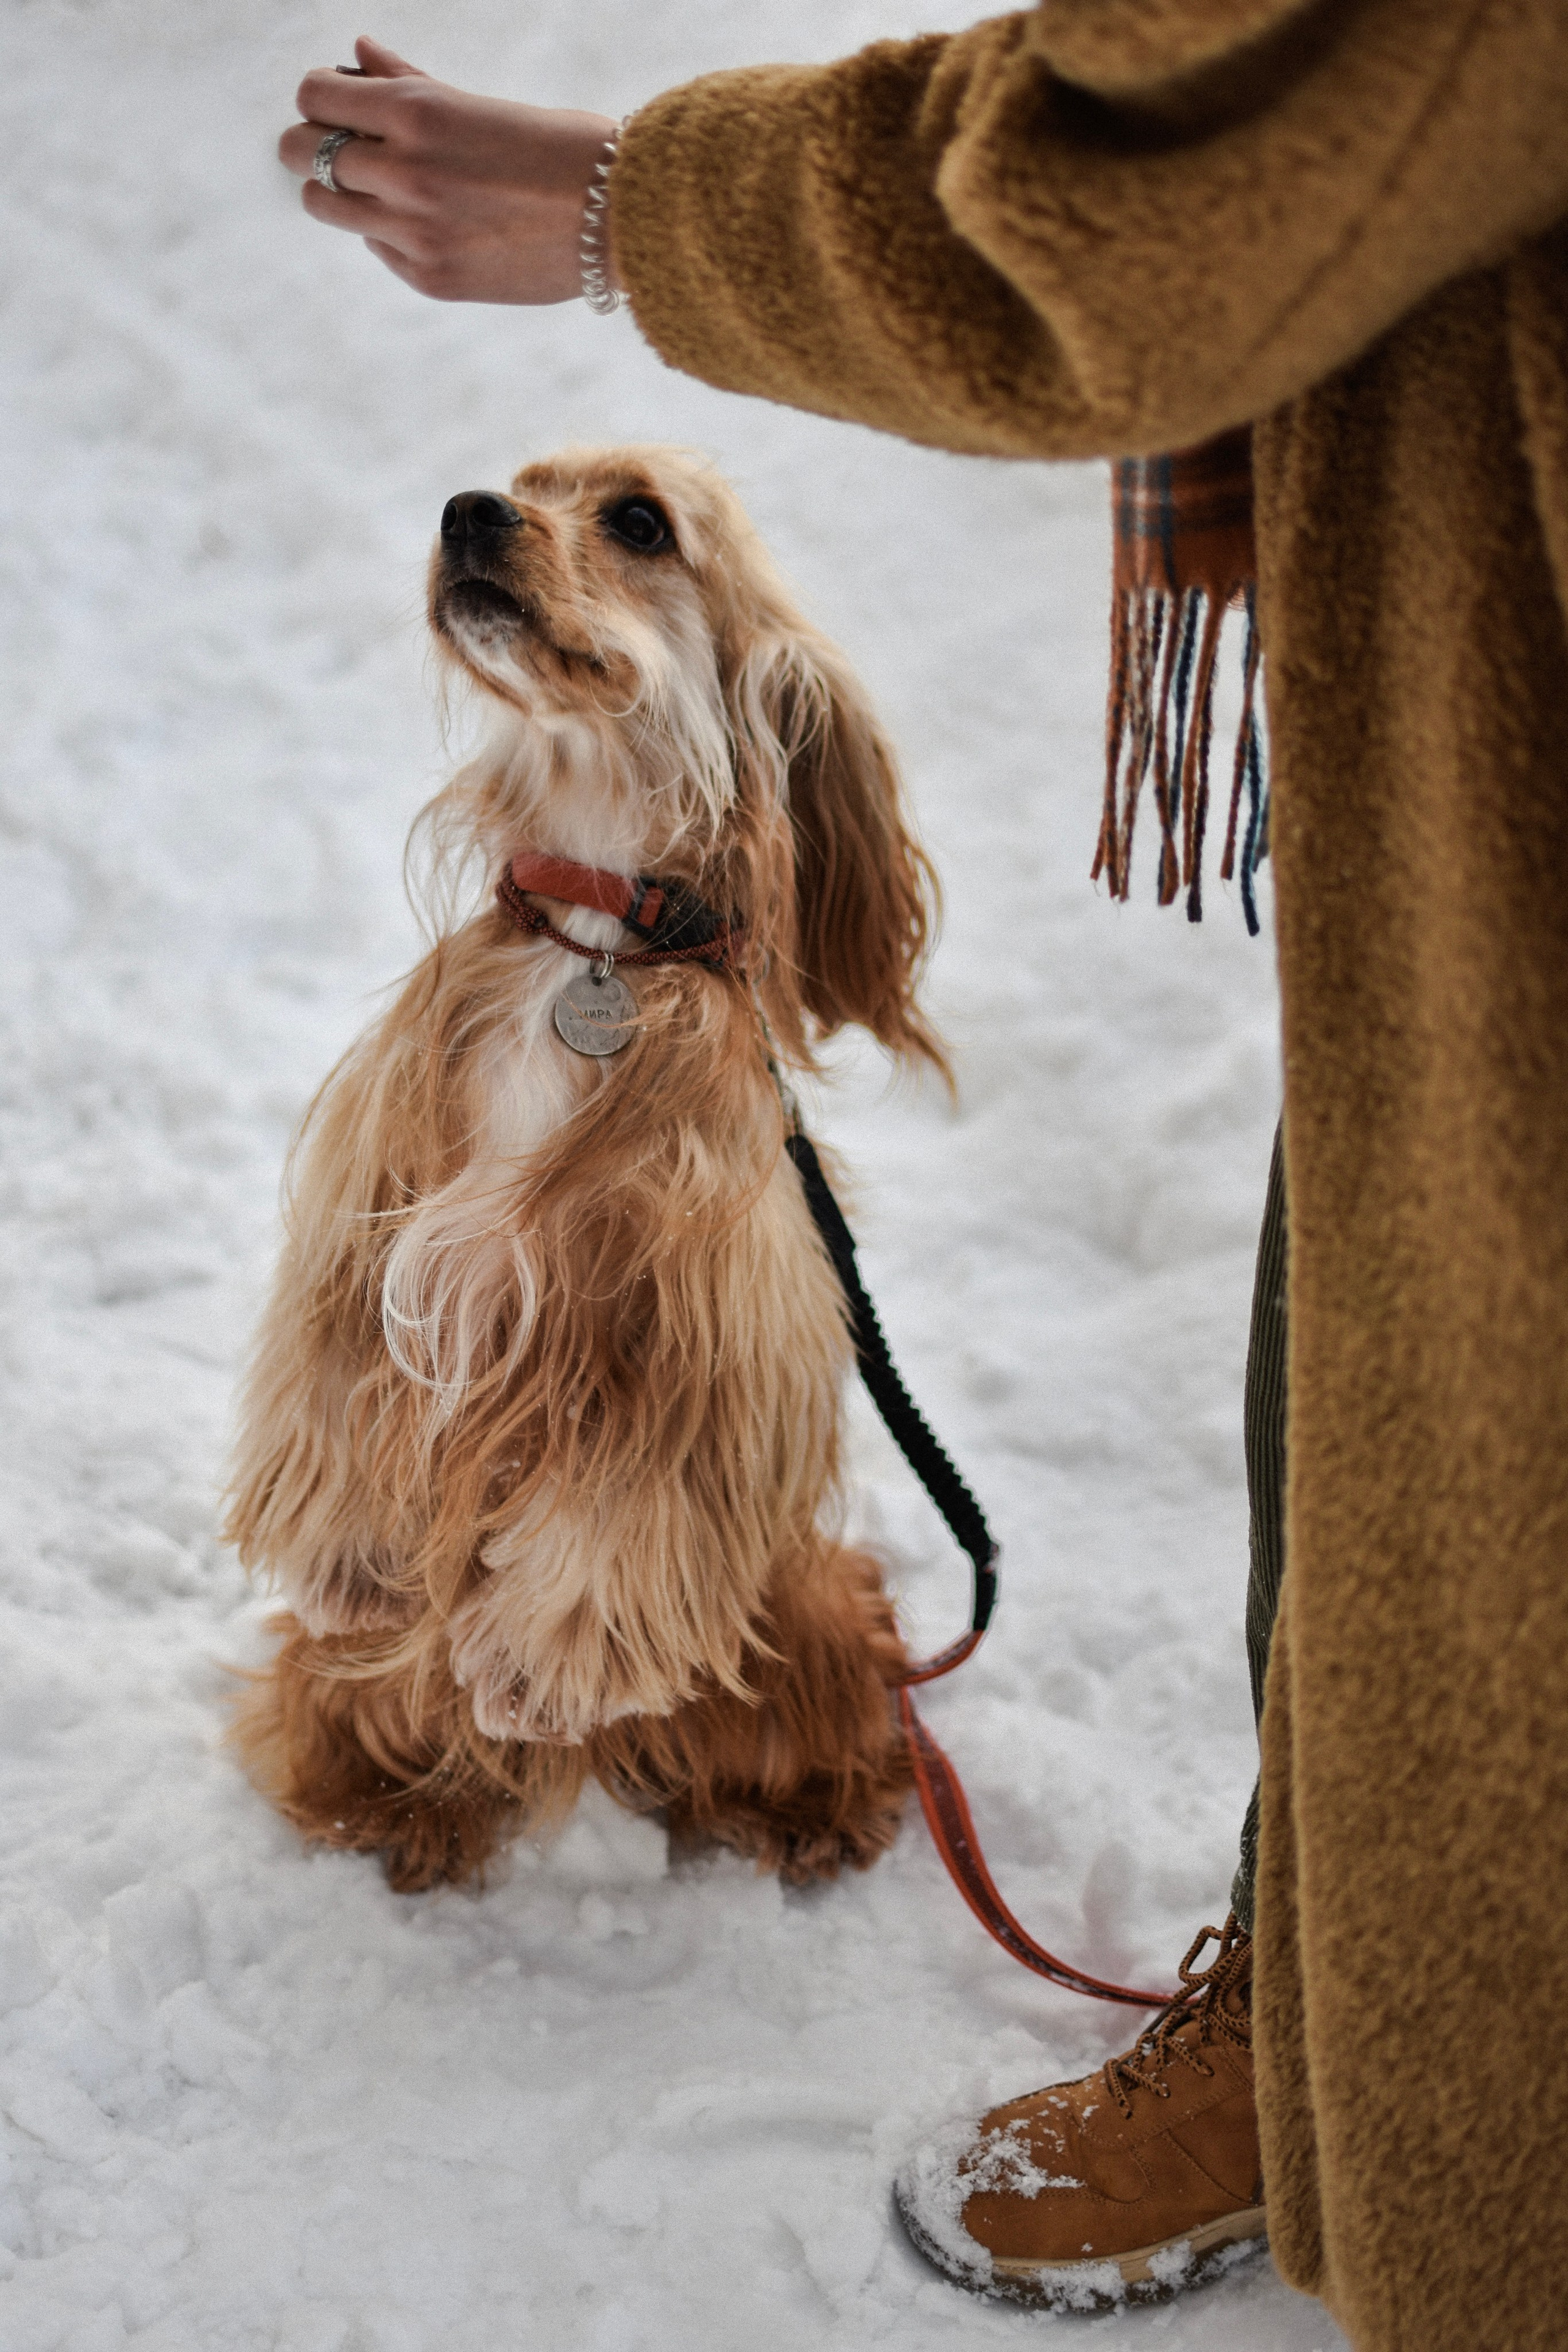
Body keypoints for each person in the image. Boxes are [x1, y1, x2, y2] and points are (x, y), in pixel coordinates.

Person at [278, 15, 1568, 2343]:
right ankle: (1345, 1999)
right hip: (1477, 573)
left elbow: (1161, 173)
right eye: (536, 511)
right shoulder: (461, 1008)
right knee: (1388, 1386)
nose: (522, 537)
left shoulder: (733, 978)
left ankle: (1401, 2062)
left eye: (633, 533)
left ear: (764, 709)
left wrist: (618, 210)